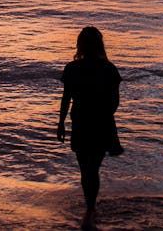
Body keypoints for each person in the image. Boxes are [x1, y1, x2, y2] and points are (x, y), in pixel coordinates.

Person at [57, 26, 123, 230]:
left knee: (86, 168)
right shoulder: (108, 68)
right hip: (101, 123)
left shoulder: (72, 68)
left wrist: (61, 123)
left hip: (81, 122)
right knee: (92, 168)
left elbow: (66, 99)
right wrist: (103, 115)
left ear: (80, 45)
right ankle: (91, 208)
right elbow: (114, 102)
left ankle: (90, 208)